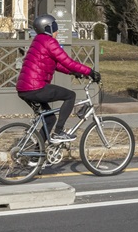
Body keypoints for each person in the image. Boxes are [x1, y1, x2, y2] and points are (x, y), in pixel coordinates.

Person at [16, 14, 101, 142]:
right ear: (48, 28)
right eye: (55, 27)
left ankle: (36, 156)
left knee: (50, 120)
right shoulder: (49, 42)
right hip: (36, 87)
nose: (57, 30)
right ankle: (59, 132)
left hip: (25, 89)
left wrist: (73, 73)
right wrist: (90, 72)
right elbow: (68, 62)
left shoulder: (38, 41)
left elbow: (56, 65)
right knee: (70, 95)